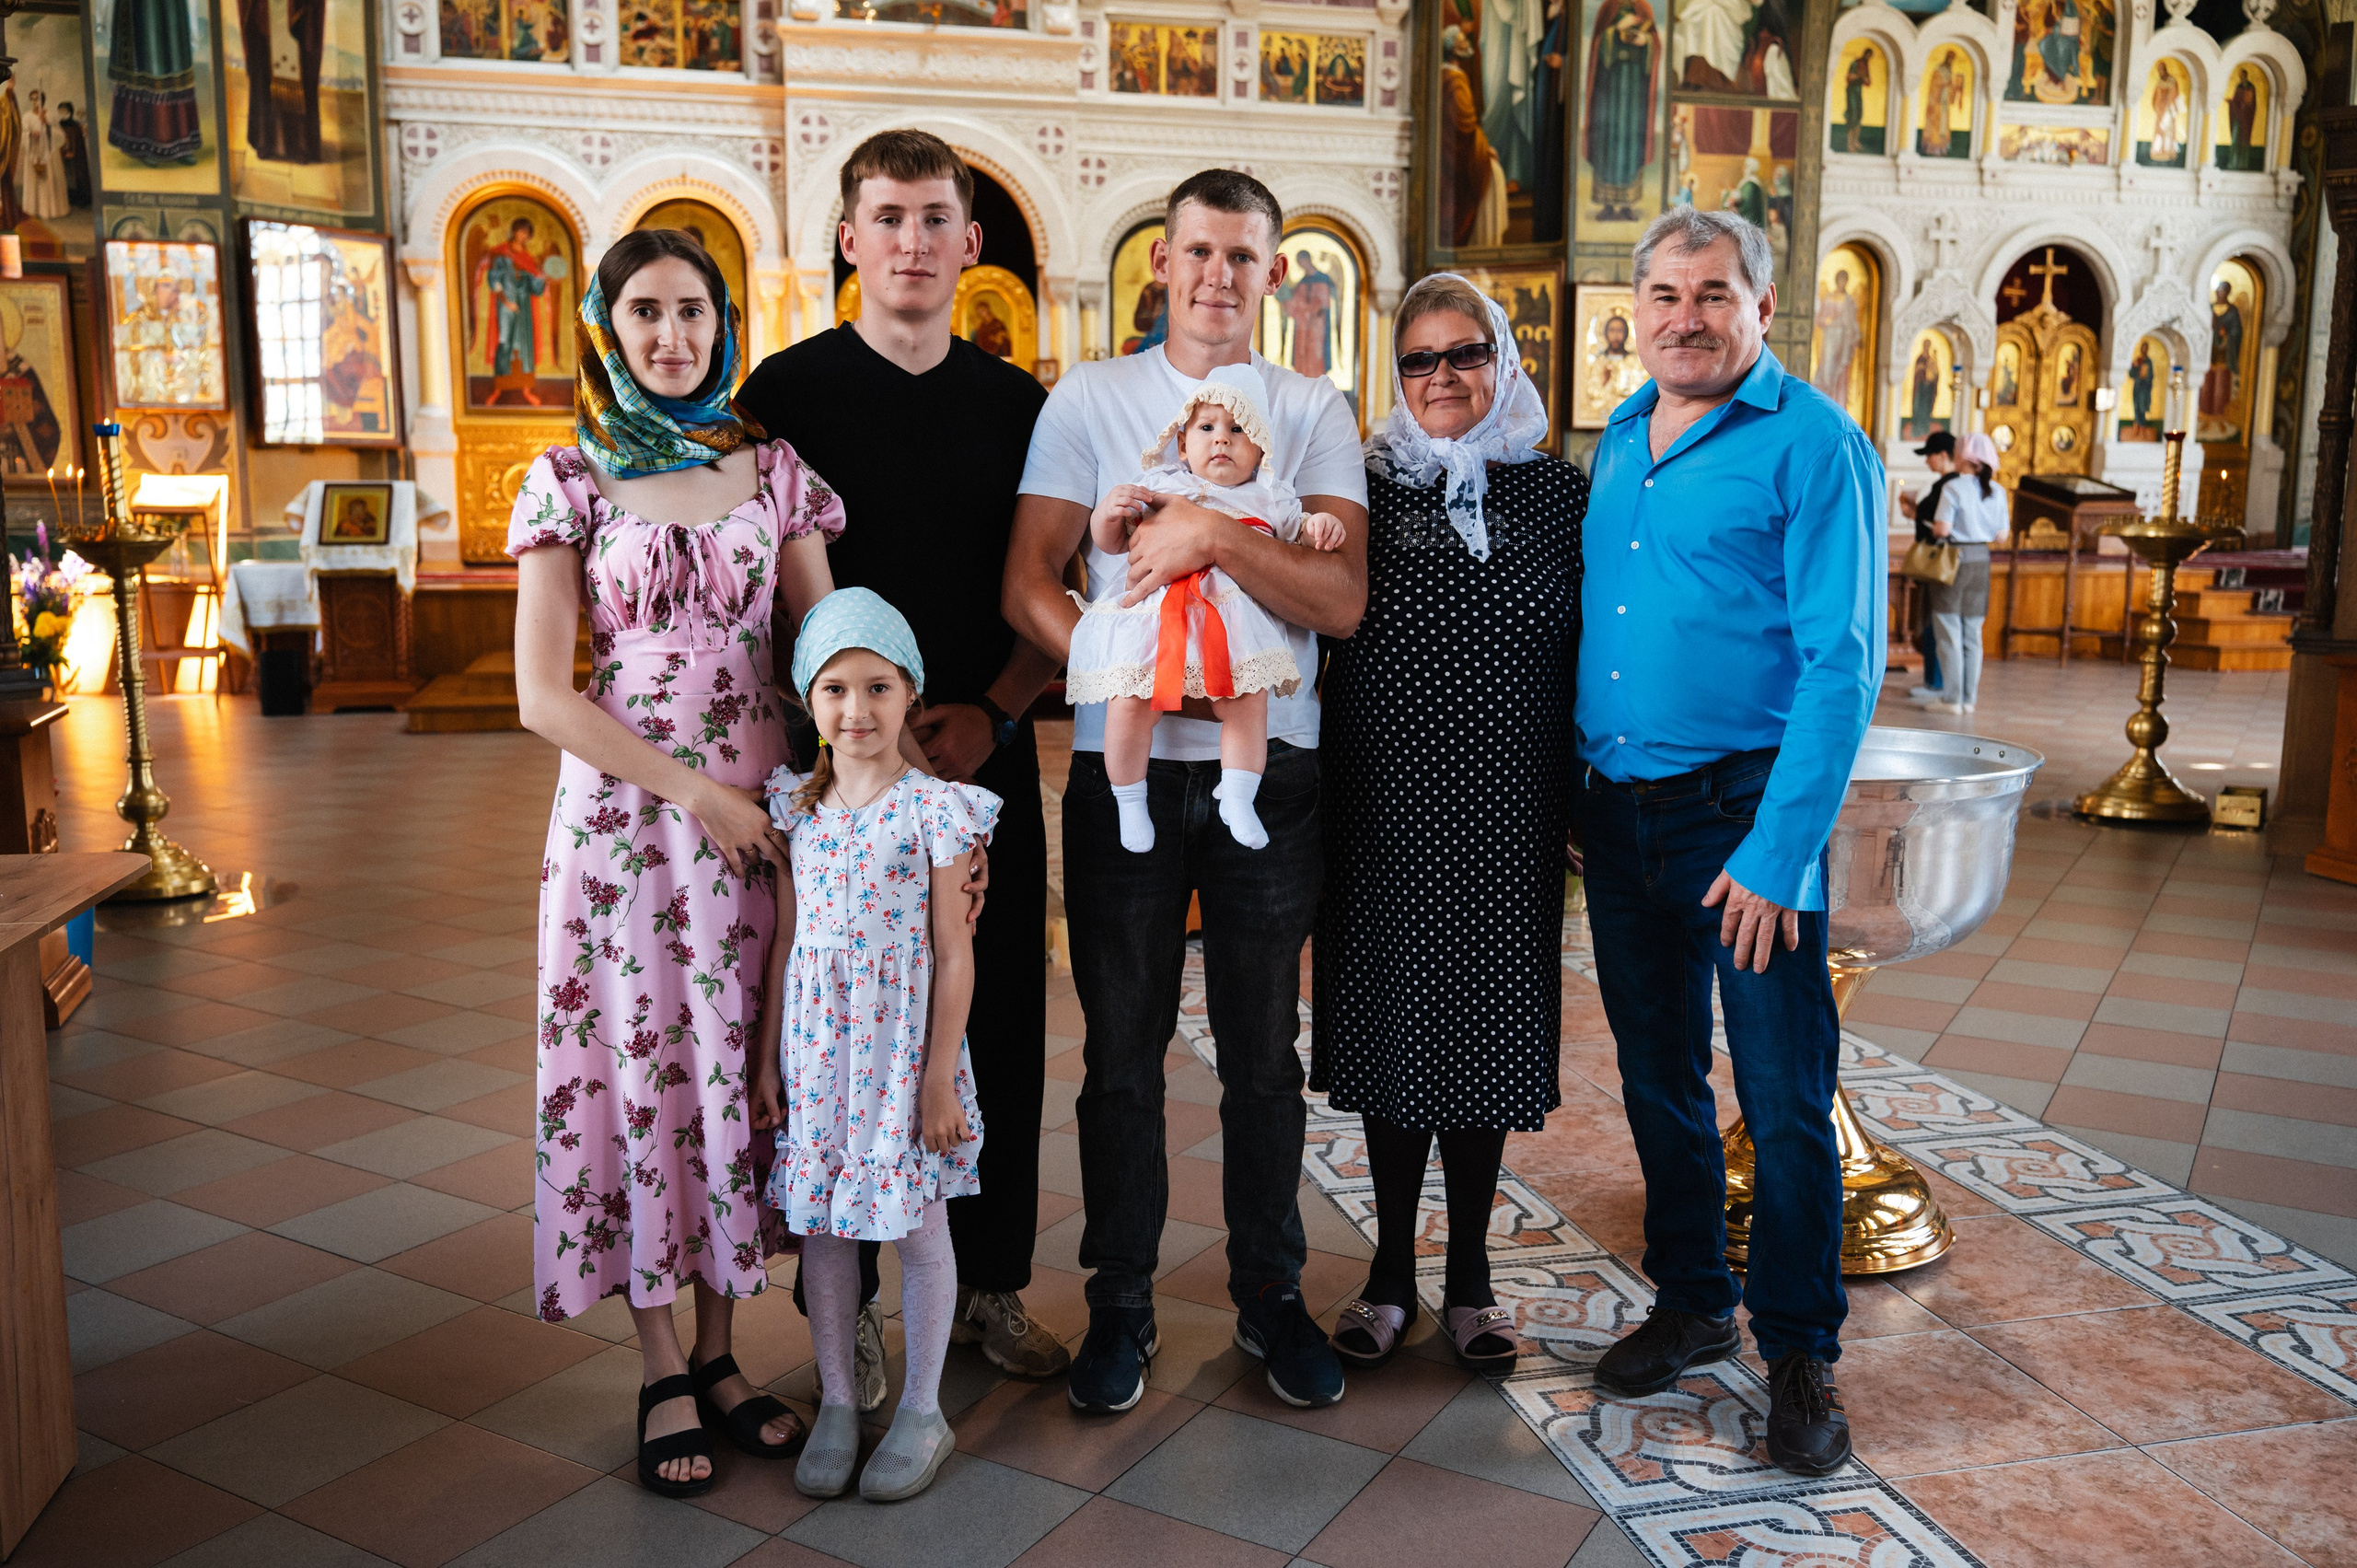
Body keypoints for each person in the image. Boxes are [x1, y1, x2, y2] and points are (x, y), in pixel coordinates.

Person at [1004, 168, 1369, 1414]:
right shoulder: (1094, 398)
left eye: (1247, 256)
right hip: (1131, 776)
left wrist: (1213, 538)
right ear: (1162, 261)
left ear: (1277, 273)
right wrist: (1127, 671)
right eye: (1200, 252)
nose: (1221, 275)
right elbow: (1030, 582)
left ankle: (1272, 1294)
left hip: (1272, 768)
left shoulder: (1314, 409)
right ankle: (1120, 1300)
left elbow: (1337, 600)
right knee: (1120, 1050)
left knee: (1266, 1055)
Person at [734, 128, 1071, 1400]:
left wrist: (994, 707)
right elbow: (760, 596)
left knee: (990, 1012)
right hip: (839, 778)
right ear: (848, 237)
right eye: (890, 218)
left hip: (980, 753)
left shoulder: (1019, 406)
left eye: (937, 219)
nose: (914, 243)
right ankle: (857, 1304)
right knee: (839, 1026)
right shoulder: (785, 393)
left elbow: (1053, 591)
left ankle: (988, 1279)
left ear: (971, 243)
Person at [508, 229, 840, 1496]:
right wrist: (695, 789)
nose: (669, 335)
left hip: (762, 820)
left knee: (743, 1069)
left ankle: (720, 1350)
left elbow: (828, 635)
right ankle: (656, 1359)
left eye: (691, 311)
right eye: (642, 312)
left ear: (723, 322)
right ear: (607, 325)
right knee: (645, 1071)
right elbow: (544, 693)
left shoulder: (776, 470)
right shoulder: (568, 473)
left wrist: (888, 787)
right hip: (629, 832)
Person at [1578, 209, 1882, 1477]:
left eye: (1712, 292)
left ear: (1763, 304)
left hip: (1743, 818)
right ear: (1634, 308)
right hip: (1620, 808)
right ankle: (1695, 1296)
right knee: (1657, 1075)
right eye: (1662, 292)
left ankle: (1801, 1345)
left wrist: (1777, 850)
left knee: (1781, 1091)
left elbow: (1842, 664)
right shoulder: (1617, 437)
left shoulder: (1815, 443)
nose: (1684, 314)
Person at [1317, 273, 1583, 1378]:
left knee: (1485, 1038)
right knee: (1393, 1038)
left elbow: (1591, 647)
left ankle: (1469, 1274)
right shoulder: (1361, 489)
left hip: (1511, 804)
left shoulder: (1561, 493)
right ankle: (1388, 1270)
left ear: (1503, 359)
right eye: (1418, 360)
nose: (1441, 377)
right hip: (1380, 801)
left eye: (1462, 353)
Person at [754, 588, 996, 1504]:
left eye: (878, 686)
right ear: (808, 704)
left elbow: (951, 950)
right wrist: (768, 1056)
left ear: (910, 693)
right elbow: (785, 942)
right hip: (819, 1056)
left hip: (901, 1056)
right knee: (824, 1230)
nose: (856, 710)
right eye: (834, 690)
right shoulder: (795, 807)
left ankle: (924, 1406)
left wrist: (938, 1077)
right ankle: (839, 1403)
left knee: (917, 1226)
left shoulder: (935, 810)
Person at [1071, 365, 1347, 854]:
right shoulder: (1161, 486)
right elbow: (1115, 544)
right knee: (1129, 705)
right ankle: (1129, 800)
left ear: (1260, 448)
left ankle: (1237, 795)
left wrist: (1320, 526)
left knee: (1247, 705)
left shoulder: (1270, 498)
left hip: (1230, 631)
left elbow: (1299, 535)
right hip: (1159, 628)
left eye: (1238, 430)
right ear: (1182, 445)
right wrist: (1106, 517)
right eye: (1207, 428)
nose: (1222, 440)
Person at [1915, 431, 2006, 717]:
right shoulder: (1997, 490)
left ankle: (1952, 698)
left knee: (1949, 631)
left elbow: (1942, 530)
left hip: (1954, 560)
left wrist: (1930, 525)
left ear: (1964, 457)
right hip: (1983, 560)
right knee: (1972, 634)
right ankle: (1969, 698)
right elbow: (2002, 535)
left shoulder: (1954, 488)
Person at [1904, 430, 1957, 700]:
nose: (1927, 462)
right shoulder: (1947, 485)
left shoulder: (1950, 486)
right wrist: (1914, 513)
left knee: (1935, 624)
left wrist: (1916, 514)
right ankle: (1933, 681)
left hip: (1939, 563)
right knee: (1932, 622)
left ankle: (1936, 683)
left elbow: (1941, 528)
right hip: (1937, 563)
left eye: (1930, 456)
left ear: (1944, 456)